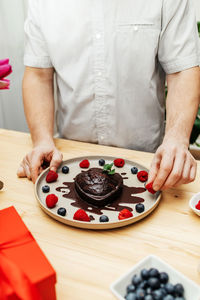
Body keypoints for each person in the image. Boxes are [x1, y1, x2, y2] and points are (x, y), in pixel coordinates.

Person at [17, 0, 200, 191]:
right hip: (68, 158)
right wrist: (42, 139)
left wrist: (177, 138)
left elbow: (181, 71)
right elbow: (38, 75)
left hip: (147, 161)